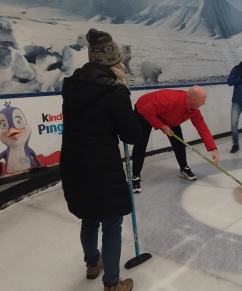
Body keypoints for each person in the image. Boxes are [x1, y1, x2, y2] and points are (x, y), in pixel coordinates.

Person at [61, 28, 139, 291]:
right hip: (102, 169)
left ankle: (93, 263)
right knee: (112, 224)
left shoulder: (72, 86)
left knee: (89, 217)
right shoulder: (116, 93)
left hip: (73, 166)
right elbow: (131, 135)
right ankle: (112, 283)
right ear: (113, 62)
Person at [131, 85, 219, 192]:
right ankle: (135, 176)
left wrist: (213, 148)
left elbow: (202, 128)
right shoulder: (169, 99)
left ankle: (184, 168)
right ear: (194, 99)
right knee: (141, 143)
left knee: (178, 143)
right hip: (144, 110)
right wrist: (161, 126)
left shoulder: (194, 110)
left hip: (169, 116)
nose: (204, 103)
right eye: (203, 101)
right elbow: (144, 110)